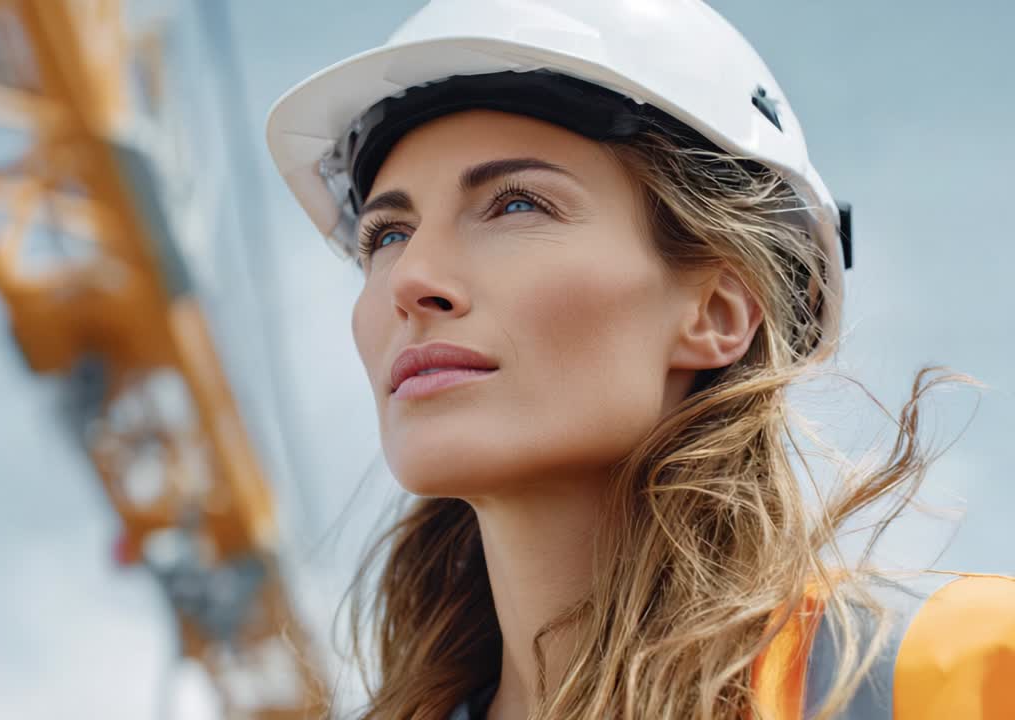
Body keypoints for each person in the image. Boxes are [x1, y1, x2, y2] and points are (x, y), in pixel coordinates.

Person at [263, 1, 1015, 718]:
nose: (411, 279)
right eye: (386, 236)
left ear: (719, 313)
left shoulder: (963, 675)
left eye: (516, 204)